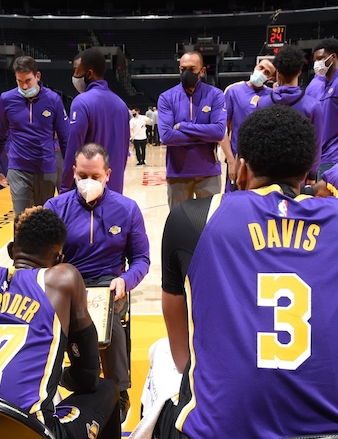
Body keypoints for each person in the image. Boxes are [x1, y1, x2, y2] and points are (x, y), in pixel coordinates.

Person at [155, 105, 338, 438]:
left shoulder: (194, 218)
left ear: (241, 170)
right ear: (305, 175)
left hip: (220, 430)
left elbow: (180, 342)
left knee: (160, 382)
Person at [0, 206, 121, 439]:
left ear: (11, 250)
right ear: (59, 259)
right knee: (107, 389)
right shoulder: (63, 279)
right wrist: (61, 376)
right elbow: (88, 377)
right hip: (28, 432)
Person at [45, 143, 150, 424]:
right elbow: (43, 256)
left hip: (109, 283)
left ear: (107, 175)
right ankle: (54, 380)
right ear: (73, 173)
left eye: (94, 176)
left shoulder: (127, 209)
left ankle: (119, 389)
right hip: (67, 280)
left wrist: (125, 281)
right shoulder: (55, 207)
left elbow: (141, 258)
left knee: (109, 324)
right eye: (82, 176)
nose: (87, 182)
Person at [0, 56, 69, 216]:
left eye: (28, 80)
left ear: (38, 76)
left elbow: (65, 139)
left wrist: (70, 170)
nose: (24, 86)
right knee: (22, 220)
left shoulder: (53, 99)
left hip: (47, 169)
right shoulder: (6, 100)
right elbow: (0, 135)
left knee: (42, 220)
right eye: (19, 81)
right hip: (18, 168)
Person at [157, 51, 226, 209]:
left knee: (209, 224)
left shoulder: (215, 95)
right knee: (180, 225)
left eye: (192, 69)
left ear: (202, 70)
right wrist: (205, 136)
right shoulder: (166, 97)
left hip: (209, 171)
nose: (187, 73)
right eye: (183, 69)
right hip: (177, 173)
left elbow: (219, 132)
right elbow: (167, 136)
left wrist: (183, 126)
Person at [61, 47, 130, 194]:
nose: (74, 76)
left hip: (88, 188)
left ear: (90, 73)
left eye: (76, 71)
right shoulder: (121, 105)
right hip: (114, 187)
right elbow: (124, 153)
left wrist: (65, 187)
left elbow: (73, 149)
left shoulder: (81, 102)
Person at [256, 44, 323, 182]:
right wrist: (312, 175)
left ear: (278, 73)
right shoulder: (313, 106)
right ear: (299, 72)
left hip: (268, 173)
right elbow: (316, 144)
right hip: (298, 176)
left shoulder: (262, 103)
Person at [220, 58, 275, 192]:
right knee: (233, 201)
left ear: (271, 78)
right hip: (238, 159)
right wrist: (231, 161)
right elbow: (222, 129)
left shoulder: (272, 95)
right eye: (261, 68)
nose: (262, 72)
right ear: (256, 66)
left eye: (267, 72)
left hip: (263, 161)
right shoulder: (233, 91)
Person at [310, 38, 338, 179]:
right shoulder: (319, 88)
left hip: (335, 159)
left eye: (320, 58)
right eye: (315, 60)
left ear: (333, 57)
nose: (317, 64)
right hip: (321, 158)